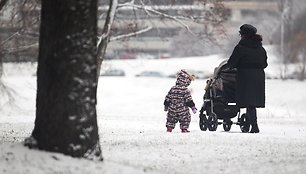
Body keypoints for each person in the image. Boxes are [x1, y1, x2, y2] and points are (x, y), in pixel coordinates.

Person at [227, 24, 268, 133]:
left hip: (245, 75)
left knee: (248, 101)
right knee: (252, 102)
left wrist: (232, 67)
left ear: (243, 35)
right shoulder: (261, 49)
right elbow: (264, 64)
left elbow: (231, 63)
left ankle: (253, 125)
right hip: (258, 76)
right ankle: (253, 124)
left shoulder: (240, 48)